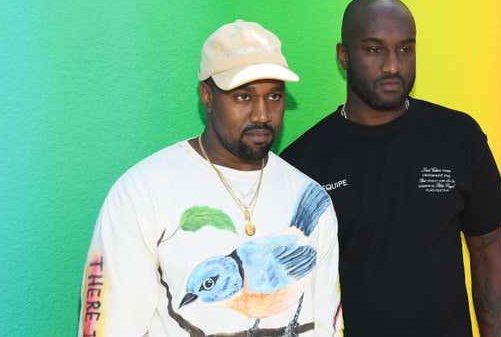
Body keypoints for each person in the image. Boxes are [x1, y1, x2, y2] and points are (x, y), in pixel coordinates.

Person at [79, 20, 342, 337]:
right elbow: (111, 326)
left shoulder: (311, 197)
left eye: (274, 97)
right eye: (243, 97)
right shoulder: (142, 193)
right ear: (207, 96)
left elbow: (327, 324)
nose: (262, 114)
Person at [281, 0, 501, 337]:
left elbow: (489, 251)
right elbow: (293, 289)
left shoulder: (458, 136)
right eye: (374, 49)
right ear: (343, 56)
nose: (393, 65)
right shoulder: (303, 163)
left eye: (405, 49)